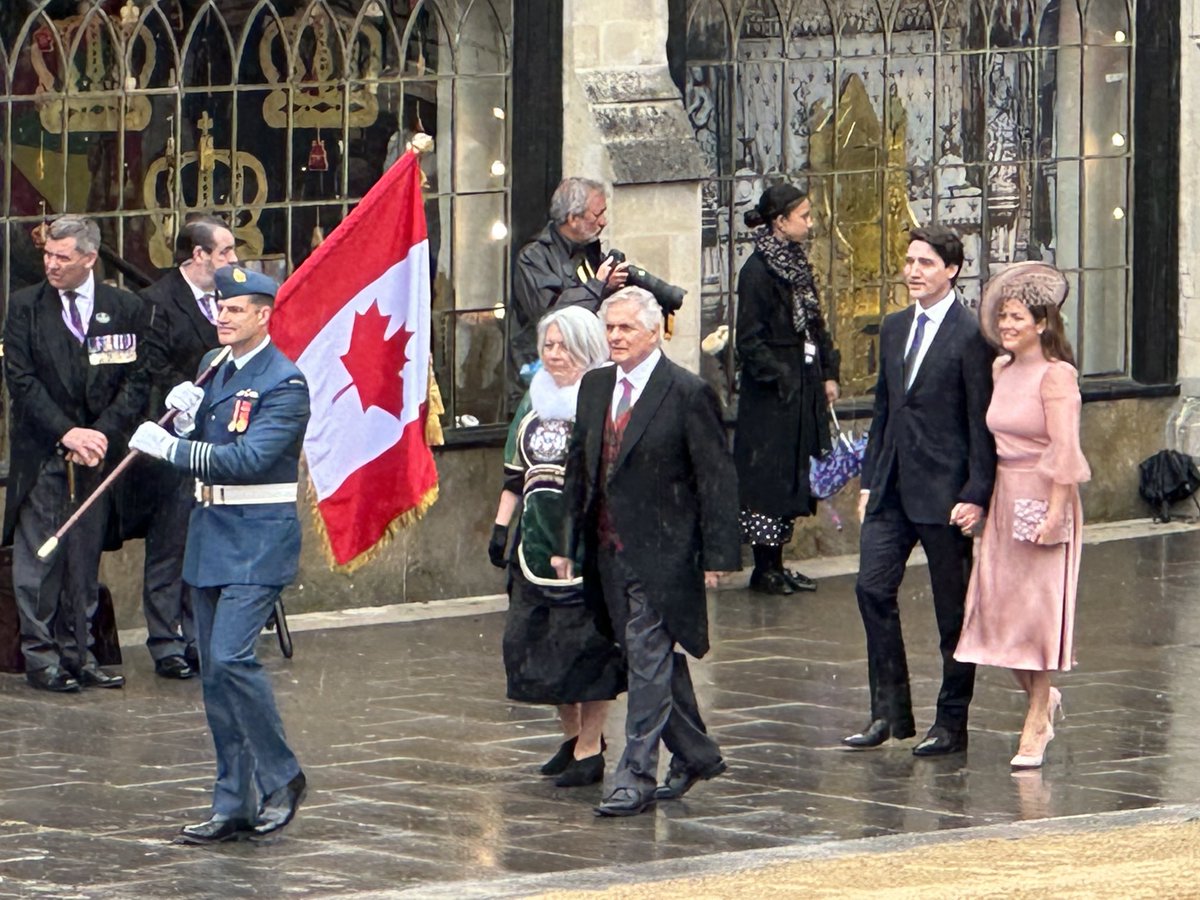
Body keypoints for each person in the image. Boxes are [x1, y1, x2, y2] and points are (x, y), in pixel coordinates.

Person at [129, 265, 308, 844]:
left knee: (232, 658)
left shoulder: (285, 382)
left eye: (234, 309)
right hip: (210, 533)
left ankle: (283, 777)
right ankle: (233, 801)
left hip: (258, 536)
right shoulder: (212, 368)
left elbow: (248, 459)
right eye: (219, 307)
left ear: (263, 314)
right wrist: (183, 410)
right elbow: (215, 435)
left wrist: (174, 447)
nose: (223, 316)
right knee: (214, 678)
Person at [552, 286, 741, 817]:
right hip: (608, 549)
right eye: (609, 328)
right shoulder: (595, 387)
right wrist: (568, 543)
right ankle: (698, 752)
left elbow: (716, 479)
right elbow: (579, 469)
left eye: (625, 329)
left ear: (653, 332)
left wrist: (717, 556)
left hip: (665, 550)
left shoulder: (686, 392)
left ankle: (634, 773)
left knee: (648, 656)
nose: (614, 337)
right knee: (643, 656)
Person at [843, 225, 997, 756]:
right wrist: (869, 482)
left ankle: (951, 723)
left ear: (951, 270)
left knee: (952, 613)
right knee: (870, 588)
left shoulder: (972, 333)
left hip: (947, 493)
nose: (913, 271)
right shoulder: (893, 328)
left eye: (925, 263)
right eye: (909, 261)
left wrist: (977, 492)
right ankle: (888, 710)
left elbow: (981, 420)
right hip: (892, 489)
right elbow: (885, 411)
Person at [953, 261, 1090, 769]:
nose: (1007, 326)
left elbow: (1065, 450)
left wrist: (1055, 515)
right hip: (1007, 496)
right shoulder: (1000, 370)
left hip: (1044, 494)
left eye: (1016, 318)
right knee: (998, 615)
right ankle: (1042, 697)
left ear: (1041, 323)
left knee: (1035, 616)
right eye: (1003, 317)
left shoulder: (1058, 376)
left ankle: (1037, 715)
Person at [2, 214, 146, 692]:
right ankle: (41, 657)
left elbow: (135, 379)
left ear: (89, 258)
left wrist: (100, 433)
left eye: (62, 257)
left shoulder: (122, 307)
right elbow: (21, 381)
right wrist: (67, 432)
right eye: (48, 255)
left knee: (84, 560)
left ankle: (79, 652)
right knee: (39, 562)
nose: (51, 265)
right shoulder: (25, 306)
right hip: (44, 452)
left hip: (96, 456)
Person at [489, 306, 625, 788]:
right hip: (535, 540)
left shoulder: (602, 401)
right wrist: (502, 528)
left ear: (586, 348)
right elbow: (514, 473)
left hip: (585, 545)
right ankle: (571, 739)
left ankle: (592, 746)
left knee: (586, 650)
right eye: (547, 345)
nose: (553, 354)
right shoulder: (534, 399)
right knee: (539, 648)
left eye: (563, 345)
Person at [123, 215, 238, 680]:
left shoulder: (233, 300)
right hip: (176, 437)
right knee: (170, 543)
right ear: (200, 255)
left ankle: (199, 633)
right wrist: (179, 392)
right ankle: (166, 638)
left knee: (207, 541)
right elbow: (150, 363)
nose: (233, 260)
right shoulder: (156, 302)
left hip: (222, 440)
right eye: (226, 252)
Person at [734, 183, 840, 596]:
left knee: (794, 476)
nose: (810, 224)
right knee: (770, 480)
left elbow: (815, 324)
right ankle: (765, 565)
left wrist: (827, 373)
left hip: (801, 387)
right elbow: (749, 339)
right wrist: (781, 376)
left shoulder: (796, 263)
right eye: (804, 217)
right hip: (772, 398)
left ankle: (779, 561)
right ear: (780, 221)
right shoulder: (758, 271)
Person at [508, 177, 628, 403]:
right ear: (573, 218)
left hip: (588, 373)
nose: (604, 221)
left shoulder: (589, 251)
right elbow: (551, 314)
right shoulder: (533, 258)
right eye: (597, 214)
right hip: (543, 375)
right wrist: (598, 285)